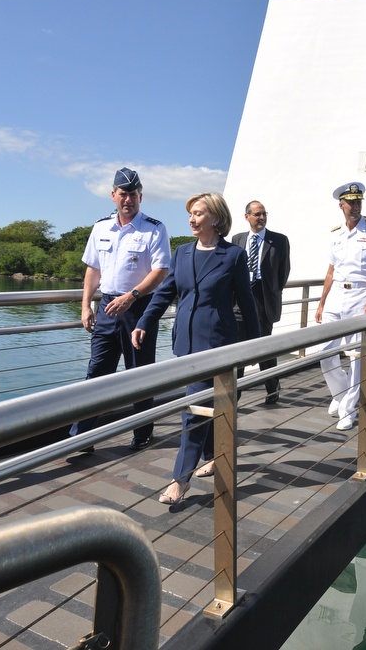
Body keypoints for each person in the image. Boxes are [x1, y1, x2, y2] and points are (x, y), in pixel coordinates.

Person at [132, 192, 260, 505]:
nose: (192, 218)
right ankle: (215, 455)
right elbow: (165, 294)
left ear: (216, 219)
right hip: (185, 345)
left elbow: (246, 302)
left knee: (193, 410)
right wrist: (144, 322)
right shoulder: (182, 253)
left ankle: (180, 480)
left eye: (199, 213)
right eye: (191, 213)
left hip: (216, 346)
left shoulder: (232, 256)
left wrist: (257, 346)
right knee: (207, 405)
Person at [69, 167, 170, 451]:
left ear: (141, 197)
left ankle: (142, 433)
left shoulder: (154, 228)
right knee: (96, 372)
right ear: (113, 195)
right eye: (123, 194)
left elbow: (161, 270)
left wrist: (132, 296)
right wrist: (86, 305)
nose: (129, 199)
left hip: (139, 308)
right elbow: (93, 268)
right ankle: (81, 437)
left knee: (139, 375)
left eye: (134, 195)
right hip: (106, 308)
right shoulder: (101, 227)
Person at [314, 181, 366, 431]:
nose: (356, 206)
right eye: (351, 202)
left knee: (357, 356)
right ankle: (341, 394)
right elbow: (330, 271)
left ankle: (348, 410)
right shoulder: (335, 234)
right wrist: (321, 303)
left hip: (361, 296)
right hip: (336, 296)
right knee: (325, 352)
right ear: (341, 205)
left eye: (359, 202)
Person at [231, 200, 291, 404]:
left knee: (265, 348)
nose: (262, 218)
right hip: (240, 299)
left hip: (263, 300)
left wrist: (272, 292)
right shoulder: (237, 239)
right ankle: (234, 395)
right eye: (257, 214)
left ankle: (272, 388)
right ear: (247, 216)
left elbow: (283, 273)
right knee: (238, 348)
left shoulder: (279, 241)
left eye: (264, 214)